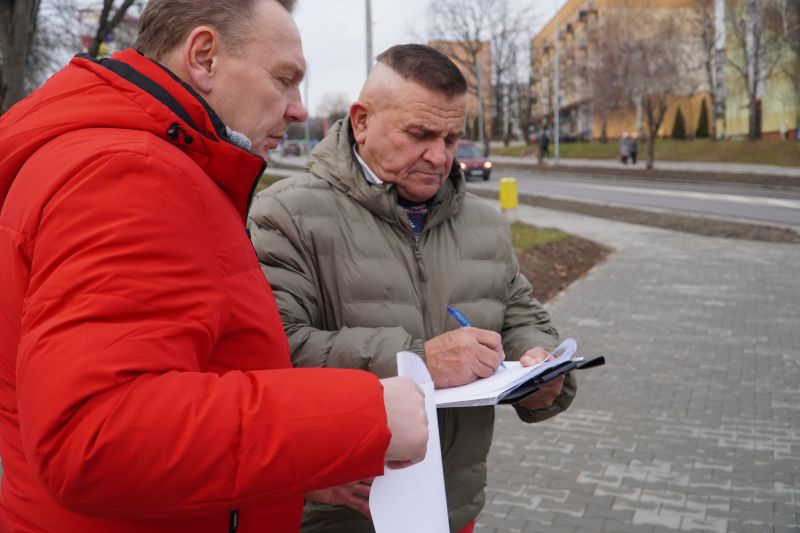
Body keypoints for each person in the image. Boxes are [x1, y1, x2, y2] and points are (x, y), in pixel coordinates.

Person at [0, 1, 430, 532]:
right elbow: (96, 434)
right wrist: (368, 416)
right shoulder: (131, 174)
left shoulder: (130, 158)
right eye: (284, 79)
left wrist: (290, 470)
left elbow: (181, 384)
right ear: (204, 57)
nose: (298, 109)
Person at [249, 44, 577, 533]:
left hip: (453, 508)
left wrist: (542, 366)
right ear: (360, 121)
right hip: (342, 514)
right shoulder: (285, 214)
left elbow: (521, 314)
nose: (439, 156)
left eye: (451, 137)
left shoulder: (484, 223)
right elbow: (277, 352)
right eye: (419, 134)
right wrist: (421, 360)